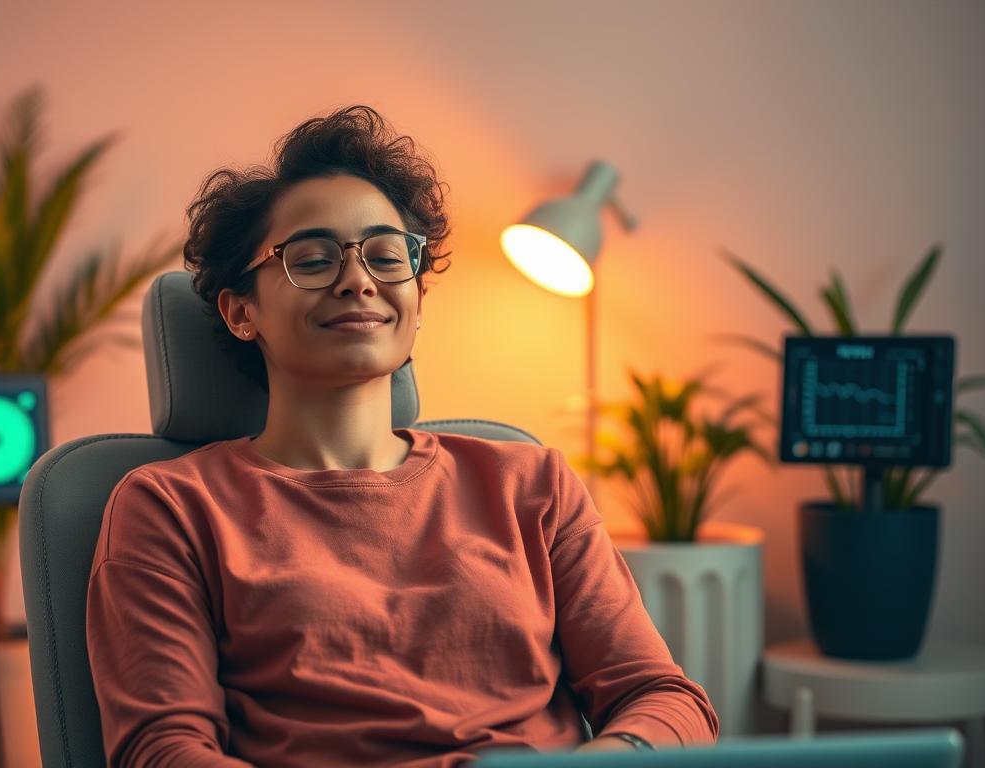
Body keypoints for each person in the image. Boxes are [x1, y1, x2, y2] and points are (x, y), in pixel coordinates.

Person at [86, 105, 719, 767]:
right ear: (242, 311)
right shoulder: (170, 506)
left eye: (387, 257)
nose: (358, 280)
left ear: (415, 303)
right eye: (313, 259)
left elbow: (662, 698)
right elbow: (164, 750)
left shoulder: (533, 485)